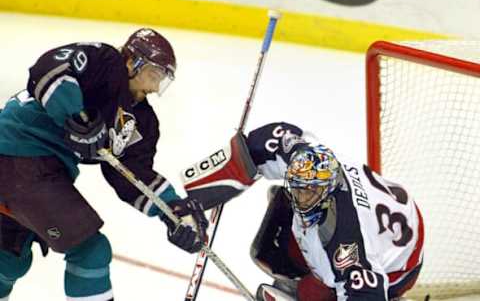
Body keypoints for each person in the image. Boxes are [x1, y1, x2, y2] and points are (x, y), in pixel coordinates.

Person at [0, 28, 208, 301]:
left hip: (32, 170)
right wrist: (75, 115)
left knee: (8, 257)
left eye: (162, 80)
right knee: (91, 252)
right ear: (134, 62)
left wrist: (172, 210)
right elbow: (51, 68)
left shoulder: (141, 121)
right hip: (19, 154)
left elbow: (132, 175)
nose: (156, 88)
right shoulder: (105, 62)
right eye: (154, 75)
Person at [183, 122, 424, 300]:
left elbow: (367, 293)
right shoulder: (302, 157)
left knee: (315, 289)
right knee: (281, 224)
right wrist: (192, 202)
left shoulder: (347, 246)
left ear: (328, 190)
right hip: (386, 209)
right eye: (297, 188)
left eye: (309, 193)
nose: (300, 198)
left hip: (402, 264)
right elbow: (267, 141)